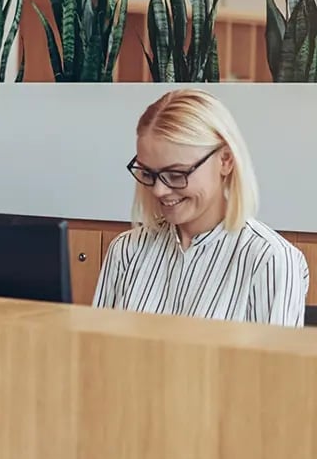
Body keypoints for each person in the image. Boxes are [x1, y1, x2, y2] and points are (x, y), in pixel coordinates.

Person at [93, 88, 309, 326]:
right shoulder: (126, 250)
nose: (158, 190)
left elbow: (272, 353)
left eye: (176, 174)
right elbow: (95, 346)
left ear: (225, 160)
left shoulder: (270, 260)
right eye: (148, 174)